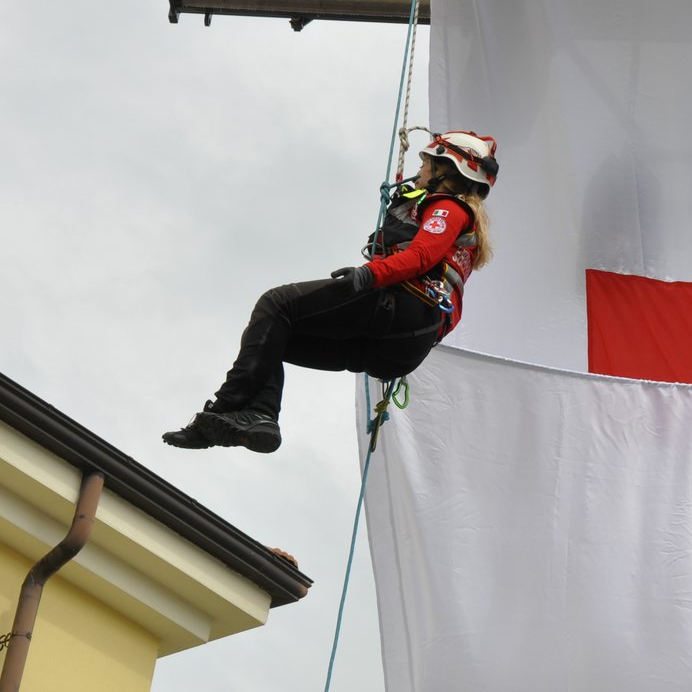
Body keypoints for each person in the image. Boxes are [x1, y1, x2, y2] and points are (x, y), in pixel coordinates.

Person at [163, 131, 499, 453]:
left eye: (426, 162)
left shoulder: (449, 209)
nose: (420, 169)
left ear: (446, 168)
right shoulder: (442, 213)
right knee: (271, 337)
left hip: (405, 308)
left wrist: (367, 276)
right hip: (402, 345)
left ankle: (220, 411)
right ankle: (260, 416)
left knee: (276, 304)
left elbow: (421, 255)